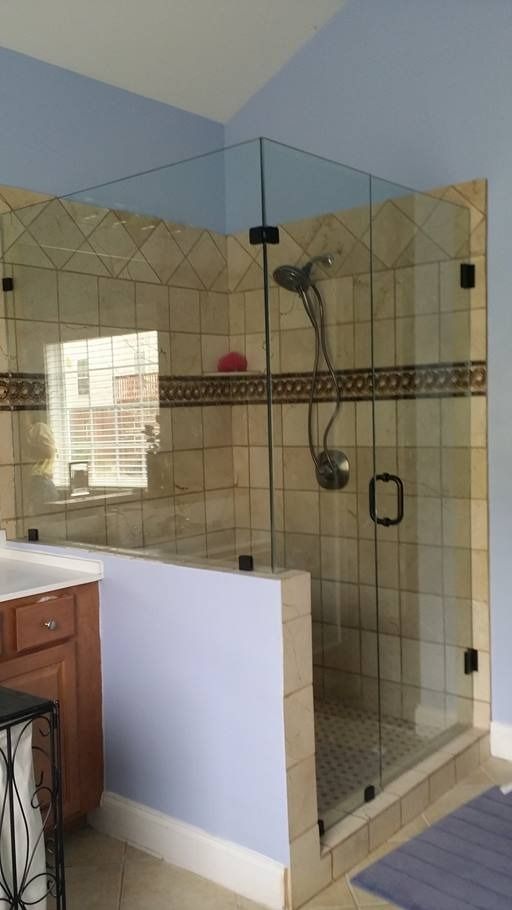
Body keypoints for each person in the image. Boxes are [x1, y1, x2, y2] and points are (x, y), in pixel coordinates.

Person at [26, 422, 60, 511]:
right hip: (43, 481)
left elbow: (47, 452)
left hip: (40, 480)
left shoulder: (40, 428)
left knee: (41, 515)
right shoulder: (51, 447)